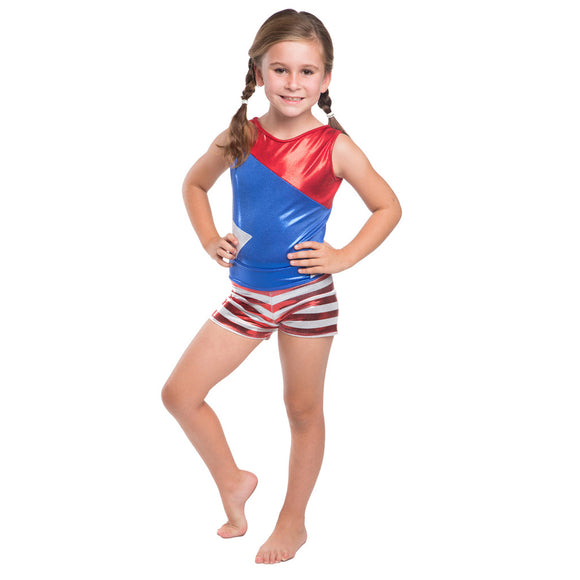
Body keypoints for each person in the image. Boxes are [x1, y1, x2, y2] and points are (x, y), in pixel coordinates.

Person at [161, 8, 402, 565]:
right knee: (179, 394)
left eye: (307, 71)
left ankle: (293, 521)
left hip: (309, 297)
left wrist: (343, 256)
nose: (294, 83)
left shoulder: (335, 147)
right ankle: (233, 479)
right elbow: (194, 184)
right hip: (248, 295)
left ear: (326, 77)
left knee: (302, 409)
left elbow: (388, 207)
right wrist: (208, 238)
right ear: (259, 72)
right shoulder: (240, 136)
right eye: (281, 69)